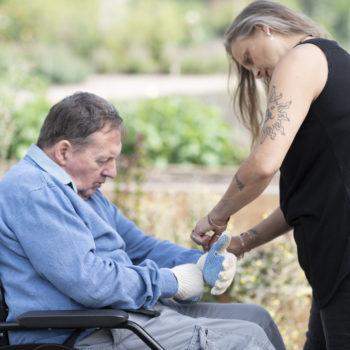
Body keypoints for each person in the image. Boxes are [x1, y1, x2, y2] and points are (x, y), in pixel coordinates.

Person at [0, 92, 285, 350]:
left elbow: (141, 247)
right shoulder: (33, 191)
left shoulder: (81, 192)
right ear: (63, 152)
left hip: (120, 318)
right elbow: (90, 282)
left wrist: (200, 262)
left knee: (258, 319)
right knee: (247, 341)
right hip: (83, 334)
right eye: (102, 160)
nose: (111, 172)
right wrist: (172, 281)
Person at [190, 0, 350, 349]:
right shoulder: (331, 63)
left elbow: (264, 163)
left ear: (266, 29)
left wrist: (217, 216)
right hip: (332, 273)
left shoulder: (302, 58)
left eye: (248, 58)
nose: (255, 73)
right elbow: (306, 200)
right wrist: (240, 243)